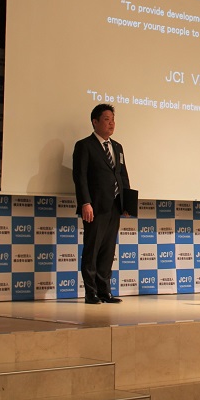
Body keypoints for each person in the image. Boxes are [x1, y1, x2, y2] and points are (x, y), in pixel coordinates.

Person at [72, 103, 130, 305]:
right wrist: (85, 203)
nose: (111, 123)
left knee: (108, 251)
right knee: (92, 250)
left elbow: (122, 176)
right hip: (94, 207)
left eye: (113, 120)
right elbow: (80, 177)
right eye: (107, 119)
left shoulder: (117, 147)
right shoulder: (85, 145)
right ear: (95, 122)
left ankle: (105, 292)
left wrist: (126, 203)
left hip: (114, 206)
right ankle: (91, 293)